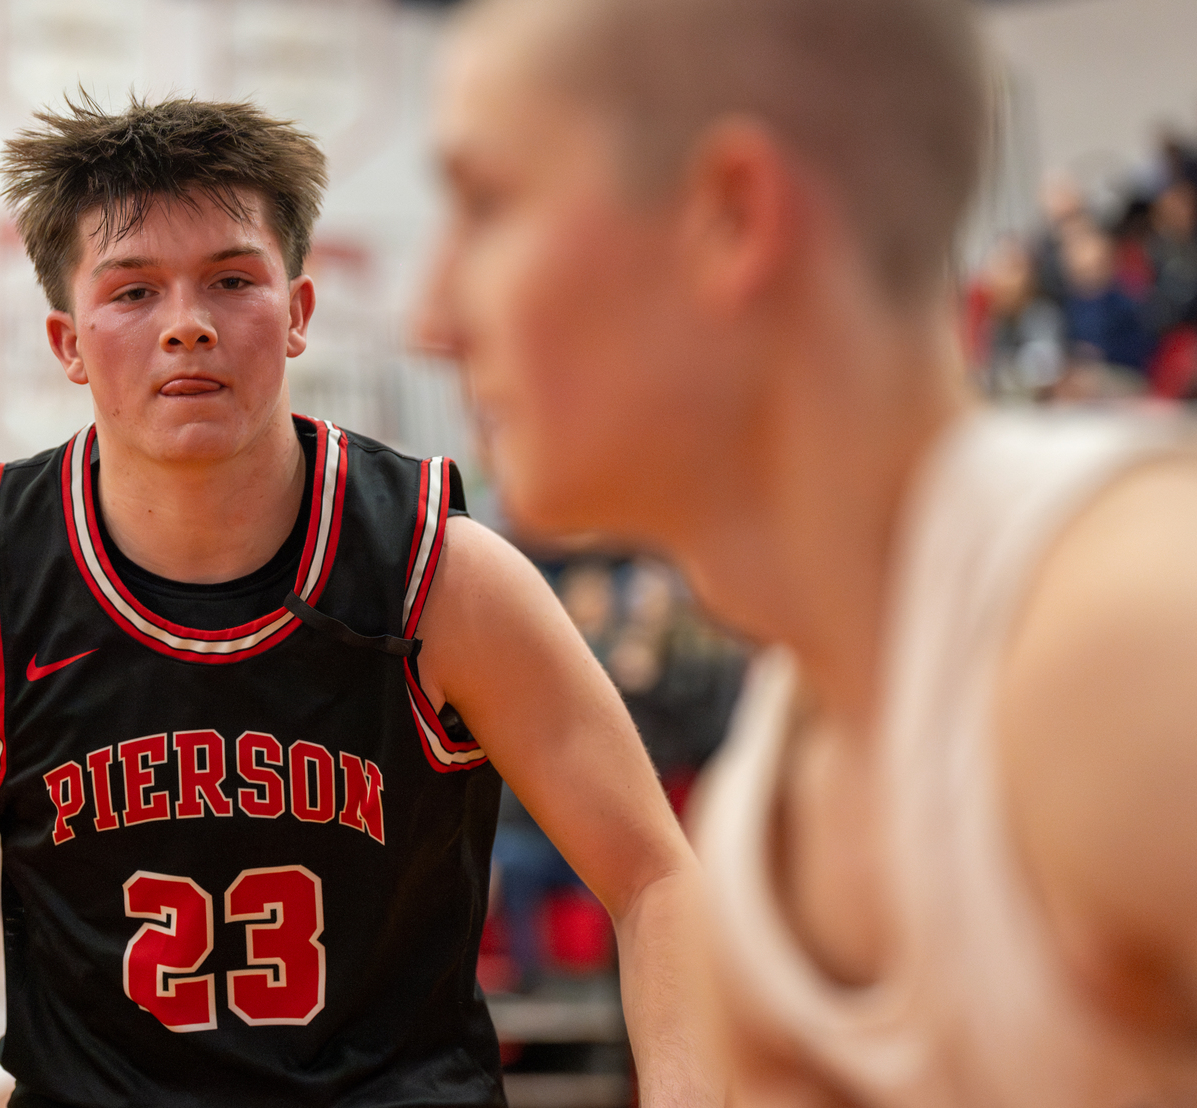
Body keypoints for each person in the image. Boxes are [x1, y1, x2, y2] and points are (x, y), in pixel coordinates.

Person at [0, 97, 710, 1107]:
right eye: (131, 292)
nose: (187, 324)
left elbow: (657, 879)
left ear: (297, 312)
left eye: (231, 278)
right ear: (66, 340)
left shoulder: (444, 576)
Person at [422, 0, 1197, 1104]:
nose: (429, 314)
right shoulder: (764, 812)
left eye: (487, 206)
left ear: (730, 217)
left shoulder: (1122, 641)